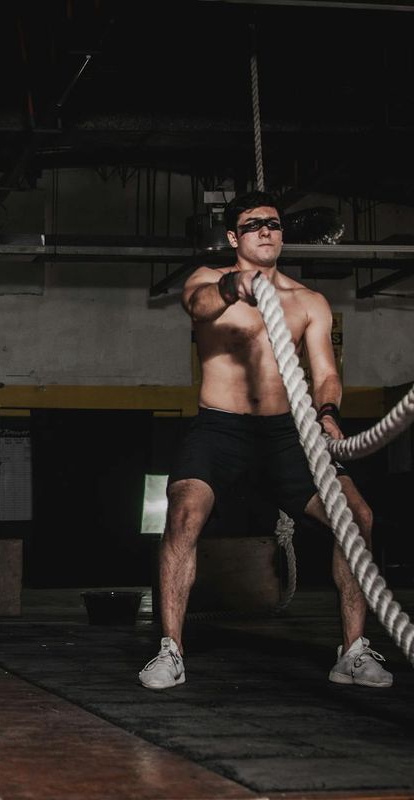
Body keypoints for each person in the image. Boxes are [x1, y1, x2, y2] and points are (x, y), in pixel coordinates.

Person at [139, 189, 392, 691]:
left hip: (286, 435)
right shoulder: (210, 282)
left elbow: (325, 373)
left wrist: (327, 414)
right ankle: (171, 650)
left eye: (273, 224)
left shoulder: (309, 302)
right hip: (221, 429)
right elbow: (198, 305)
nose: (266, 231)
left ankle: (353, 651)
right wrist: (239, 287)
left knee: (357, 518)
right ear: (234, 236)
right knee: (184, 510)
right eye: (254, 224)